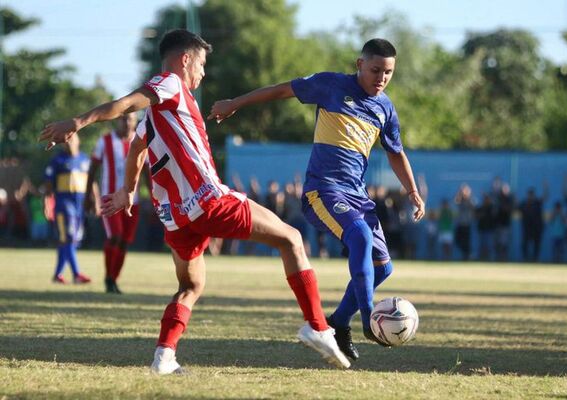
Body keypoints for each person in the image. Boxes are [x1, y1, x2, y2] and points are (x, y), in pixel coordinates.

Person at [39, 29, 349, 373]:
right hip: (208, 201)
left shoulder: (155, 116)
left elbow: (136, 150)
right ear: (185, 59)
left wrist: (128, 189)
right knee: (291, 239)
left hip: (175, 218)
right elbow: (126, 103)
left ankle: (164, 357)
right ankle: (318, 327)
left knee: (190, 285)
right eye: (201, 63)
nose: (202, 72)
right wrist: (79, 121)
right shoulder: (170, 84)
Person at [209, 38, 426, 361]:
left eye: (388, 72)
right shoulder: (330, 85)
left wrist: (412, 190)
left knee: (383, 268)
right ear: (359, 65)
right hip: (322, 190)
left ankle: (338, 323)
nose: (381, 78)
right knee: (361, 236)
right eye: (375, 70)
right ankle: (368, 319)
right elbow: (281, 90)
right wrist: (235, 103)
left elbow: (396, 152)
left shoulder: (385, 108)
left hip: (357, 195)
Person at [85, 114, 146, 294]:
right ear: (116, 121)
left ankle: (113, 279)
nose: (126, 122)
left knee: (125, 241)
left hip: (132, 201)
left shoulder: (141, 141)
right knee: (115, 236)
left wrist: (153, 195)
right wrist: (89, 195)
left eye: (130, 119)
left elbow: (148, 171)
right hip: (109, 198)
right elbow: (92, 170)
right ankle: (108, 278)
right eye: (123, 118)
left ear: (135, 122)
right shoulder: (104, 141)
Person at [44, 134, 92, 284]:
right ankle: (77, 274)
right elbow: (48, 186)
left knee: (71, 241)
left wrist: (94, 200)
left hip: (80, 207)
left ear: (79, 140)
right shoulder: (57, 160)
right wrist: (47, 204)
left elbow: (92, 182)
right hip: (64, 207)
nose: (69, 142)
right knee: (69, 238)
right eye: (66, 140)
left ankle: (58, 275)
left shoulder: (85, 159)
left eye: (72, 138)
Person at [519, 187, 546, 262]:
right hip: (527, 228)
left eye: (532, 194)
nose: (530, 196)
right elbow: (517, 207)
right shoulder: (524, 203)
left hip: (537, 228)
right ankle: (526, 259)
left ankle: (535, 259)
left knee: (536, 244)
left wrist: (545, 187)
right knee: (524, 244)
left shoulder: (537, 202)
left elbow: (545, 197)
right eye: (529, 194)